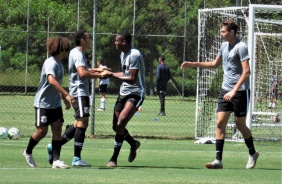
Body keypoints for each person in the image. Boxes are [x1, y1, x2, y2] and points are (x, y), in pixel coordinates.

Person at [181, 20, 259, 169]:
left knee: (240, 124)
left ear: (232, 32)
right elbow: (215, 64)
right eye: (221, 31)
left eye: (223, 31)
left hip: (240, 91)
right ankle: (218, 160)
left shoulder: (241, 47)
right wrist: (194, 64)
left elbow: (246, 72)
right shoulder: (223, 46)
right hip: (225, 90)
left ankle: (253, 153)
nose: (220, 34)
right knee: (219, 123)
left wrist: (234, 90)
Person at [46, 29, 112, 167]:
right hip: (79, 92)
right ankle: (76, 158)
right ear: (82, 39)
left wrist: (100, 70)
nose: (90, 40)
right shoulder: (78, 53)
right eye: (88, 38)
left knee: (78, 123)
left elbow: (85, 70)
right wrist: (100, 76)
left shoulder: (78, 53)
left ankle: (54, 147)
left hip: (81, 92)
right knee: (83, 122)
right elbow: (82, 74)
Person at [23, 36, 74, 169]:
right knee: (42, 131)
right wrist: (67, 94)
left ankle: (56, 160)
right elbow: (51, 81)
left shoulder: (59, 65)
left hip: (55, 103)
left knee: (57, 128)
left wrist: (64, 100)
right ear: (62, 49)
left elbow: (57, 85)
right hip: (43, 103)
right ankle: (27, 152)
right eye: (67, 49)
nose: (68, 52)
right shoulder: (50, 63)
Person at [106, 31, 146, 167]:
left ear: (124, 42)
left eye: (117, 40)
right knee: (115, 125)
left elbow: (132, 79)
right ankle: (133, 143)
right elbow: (125, 73)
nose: (115, 43)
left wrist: (111, 74)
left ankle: (113, 159)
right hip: (124, 92)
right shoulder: (123, 53)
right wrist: (104, 73)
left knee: (121, 122)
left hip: (136, 92)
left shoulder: (134, 54)